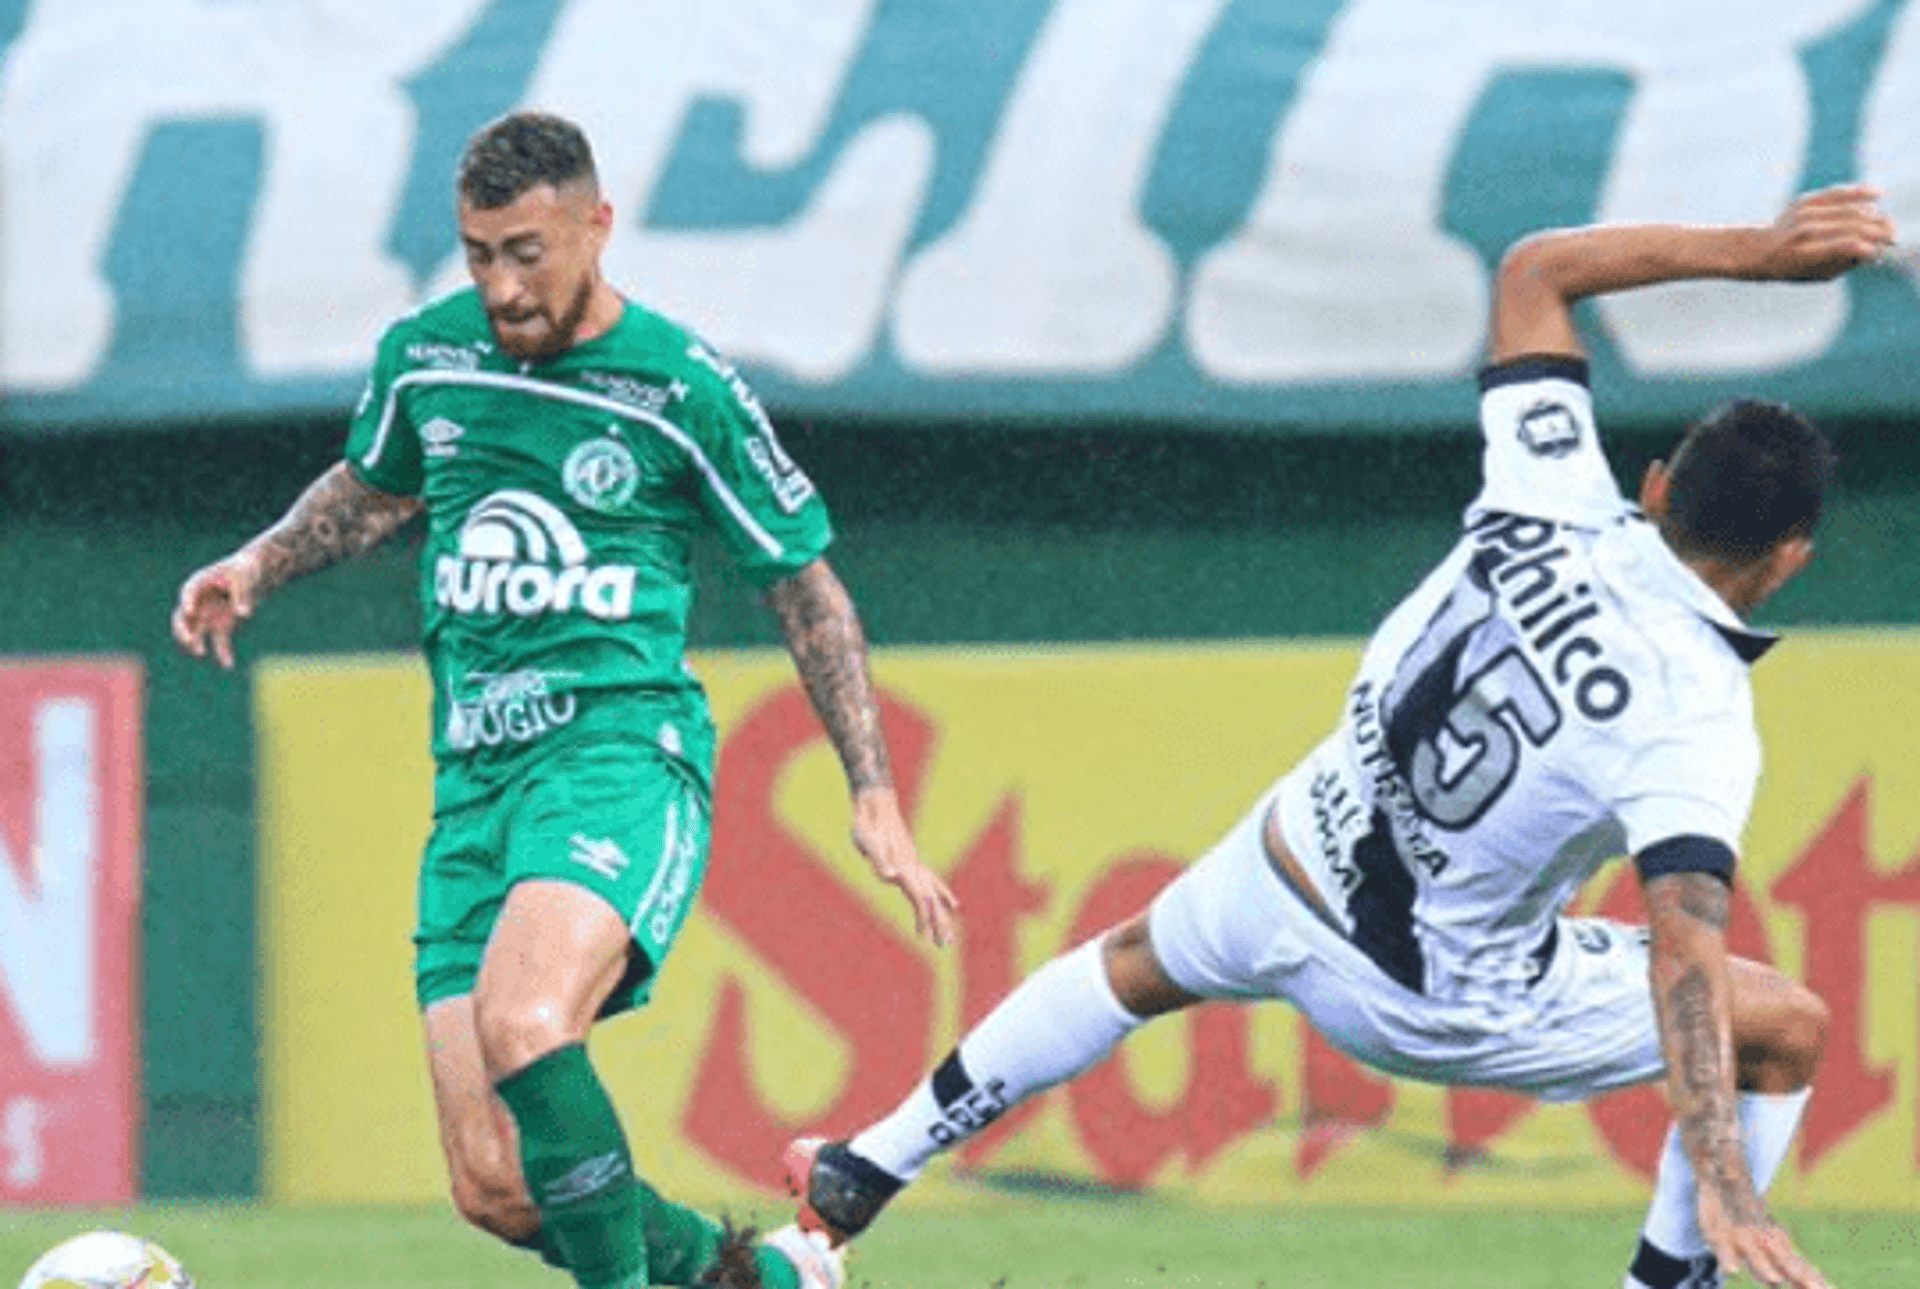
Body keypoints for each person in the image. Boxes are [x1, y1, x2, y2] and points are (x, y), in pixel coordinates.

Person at [783, 185, 1897, 1289]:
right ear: (1791, 556)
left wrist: (1760, 251)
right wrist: (1727, 1181)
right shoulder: (1695, 713)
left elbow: (1538, 271)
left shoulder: (1550, 489)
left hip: (1292, 857)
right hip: (1434, 991)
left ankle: (865, 1170)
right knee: (1785, 1026)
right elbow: (1689, 959)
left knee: (1130, 963)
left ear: (1654, 487)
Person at [172, 110, 958, 1289]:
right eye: (478, 251)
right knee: (494, 1185)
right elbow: (373, 488)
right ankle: (783, 1278)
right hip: (473, 789)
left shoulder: (679, 386)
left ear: (598, 227)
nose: (500, 284)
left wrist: (872, 788)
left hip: (616, 756)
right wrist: (257, 563)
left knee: (529, 1021)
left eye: (527, 251)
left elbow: (808, 592)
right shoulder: (429, 357)